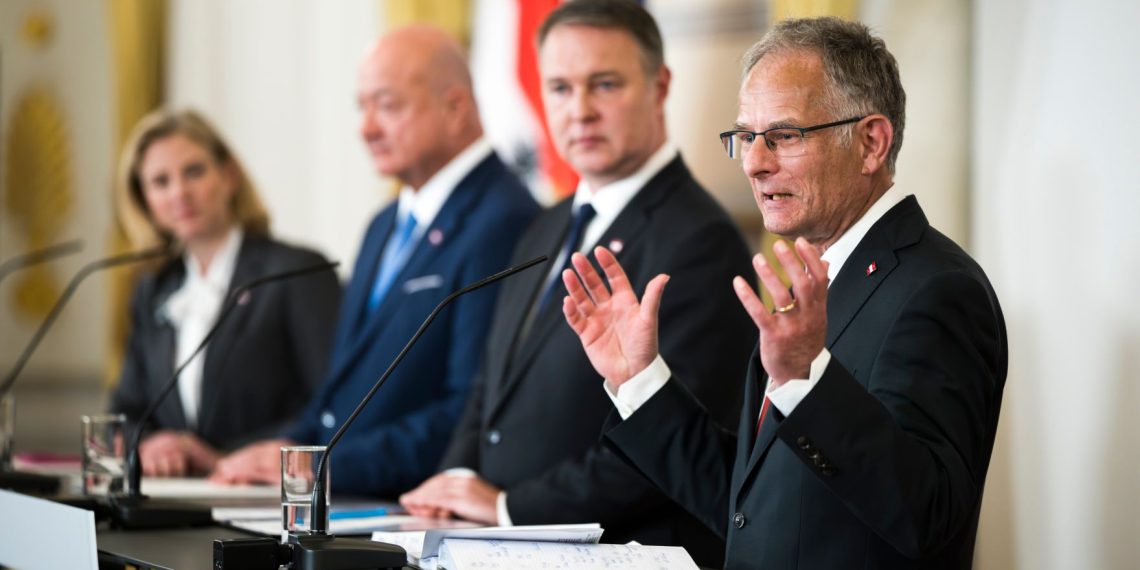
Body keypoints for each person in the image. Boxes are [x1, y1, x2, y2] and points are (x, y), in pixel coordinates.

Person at [560, 16, 1008, 569]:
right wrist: (639, 380)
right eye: (747, 136)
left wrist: (806, 381)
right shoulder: (813, 278)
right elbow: (748, 501)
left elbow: (929, 516)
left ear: (871, 142)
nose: (754, 161)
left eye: (784, 136)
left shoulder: (937, 290)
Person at [399, 1, 754, 566]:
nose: (580, 111)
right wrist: (458, 479)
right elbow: (491, 386)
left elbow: (670, 447)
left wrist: (509, 507)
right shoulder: (545, 221)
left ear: (659, 86)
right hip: (490, 546)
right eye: (560, 88)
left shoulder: (701, 240)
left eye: (605, 84)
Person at [209, 26, 540, 497]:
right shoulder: (384, 223)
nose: (366, 128)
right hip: (334, 498)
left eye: (386, 106)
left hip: (411, 511)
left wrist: (323, 467)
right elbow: (341, 394)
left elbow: (468, 408)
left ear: (455, 107)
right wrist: (277, 451)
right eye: (361, 107)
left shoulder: (505, 219)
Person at [110, 109, 342, 478]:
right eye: (160, 181)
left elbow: (334, 401)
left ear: (229, 175)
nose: (179, 193)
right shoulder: (153, 288)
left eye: (194, 172)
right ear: (144, 200)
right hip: (175, 497)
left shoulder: (297, 271)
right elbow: (125, 410)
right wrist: (151, 444)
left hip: (269, 494)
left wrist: (223, 456)